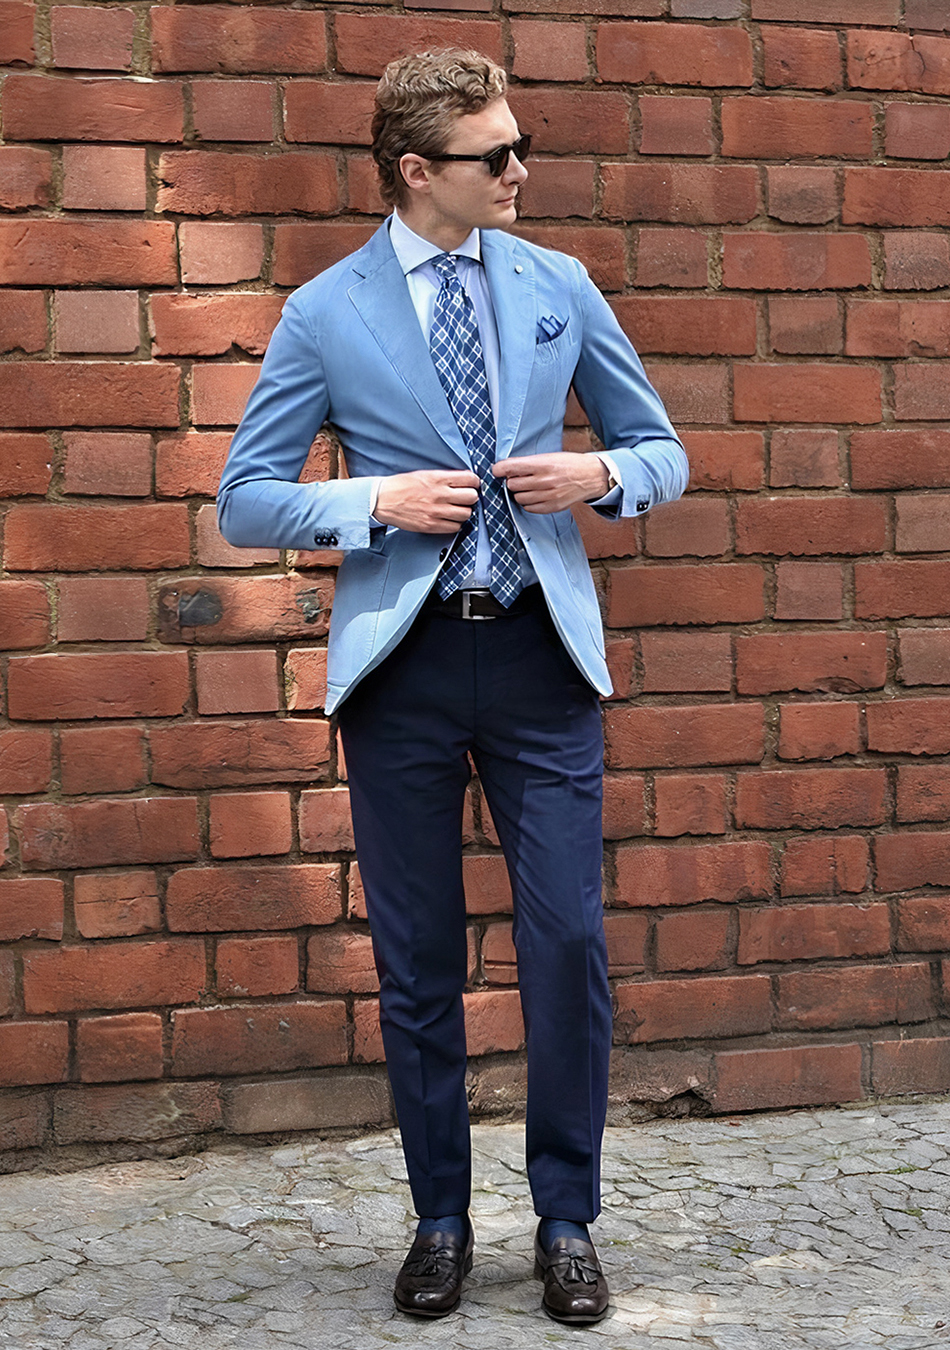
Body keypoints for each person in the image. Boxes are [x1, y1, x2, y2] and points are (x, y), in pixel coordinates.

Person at [217, 47, 688, 1326]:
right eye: (497, 156)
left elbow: (663, 450)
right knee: (417, 960)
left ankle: (566, 1218)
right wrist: (371, 501)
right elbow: (244, 502)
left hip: (538, 659)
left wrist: (599, 480)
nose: (521, 171)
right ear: (417, 171)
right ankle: (437, 1218)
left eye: (518, 146)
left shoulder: (560, 285)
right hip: (405, 669)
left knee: (568, 940)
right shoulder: (326, 313)